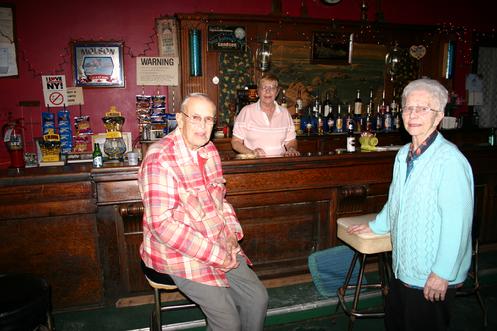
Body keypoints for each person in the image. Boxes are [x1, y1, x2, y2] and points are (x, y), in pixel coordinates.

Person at [347, 78, 474, 331]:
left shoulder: (449, 161)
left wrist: (442, 273)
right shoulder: (403, 153)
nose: (413, 114)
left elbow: (457, 223)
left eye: (423, 108)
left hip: (431, 276)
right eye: (408, 108)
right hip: (403, 268)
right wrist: (378, 226)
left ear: (438, 116)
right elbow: (396, 199)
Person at [139, 93, 268, 331]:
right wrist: (218, 255)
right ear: (180, 119)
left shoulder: (210, 151)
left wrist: (231, 233)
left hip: (217, 241)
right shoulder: (160, 158)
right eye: (196, 117)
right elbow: (162, 227)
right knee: (228, 321)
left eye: (209, 119)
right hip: (176, 253)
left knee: (257, 299)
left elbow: (221, 202)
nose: (203, 126)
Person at [231, 74, 300, 157]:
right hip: (254, 165)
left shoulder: (285, 113)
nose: (268, 91)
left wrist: (291, 148)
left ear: (277, 92)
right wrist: (252, 153)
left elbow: (291, 140)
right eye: (264, 87)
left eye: (272, 88)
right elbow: (235, 142)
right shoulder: (246, 111)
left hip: (280, 165)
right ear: (258, 91)